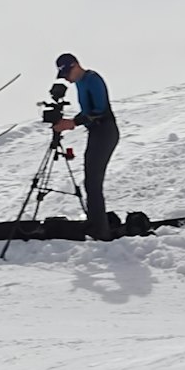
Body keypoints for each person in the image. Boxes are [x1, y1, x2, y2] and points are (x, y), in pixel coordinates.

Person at [52, 53, 120, 240]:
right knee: (90, 180)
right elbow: (87, 112)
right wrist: (70, 122)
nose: (67, 79)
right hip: (96, 133)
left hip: (105, 131)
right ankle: (96, 223)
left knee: (93, 182)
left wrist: (72, 123)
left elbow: (99, 111)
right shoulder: (81, 83)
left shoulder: (92, 79)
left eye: (67, 74)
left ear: (76, 66)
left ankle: (101, 231)